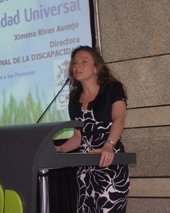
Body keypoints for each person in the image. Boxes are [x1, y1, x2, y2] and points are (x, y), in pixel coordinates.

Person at [55, 45, 130, 213]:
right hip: (85, 170)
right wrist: (58, 149)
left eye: (84, 62)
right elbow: (78, 137)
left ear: (96, 67)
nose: (77, 66)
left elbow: (119, 119)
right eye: (74, 63)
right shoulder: (74, 98)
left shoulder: (112, 89)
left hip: (109, 164)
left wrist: (108, 145)